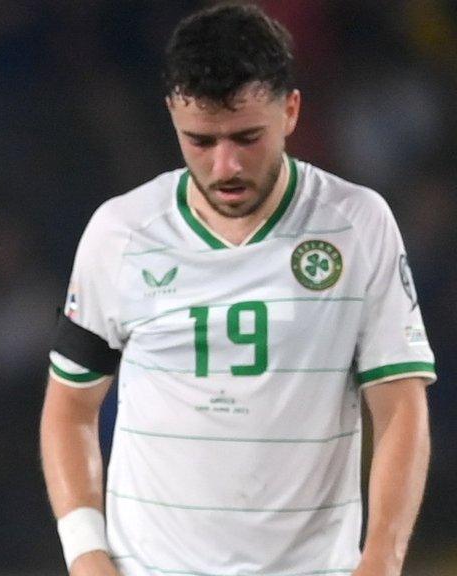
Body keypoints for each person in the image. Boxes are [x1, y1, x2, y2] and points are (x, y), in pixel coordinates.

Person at [40, 4, 435, 576]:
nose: (225, 165)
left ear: (291, 110)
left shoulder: (357, 225)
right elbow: (70, 405)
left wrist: (382, 559)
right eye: (200, 140)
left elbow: (399, 403)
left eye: (247, 137)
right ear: (172, 114)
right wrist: (85, 555)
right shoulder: (120, 233)